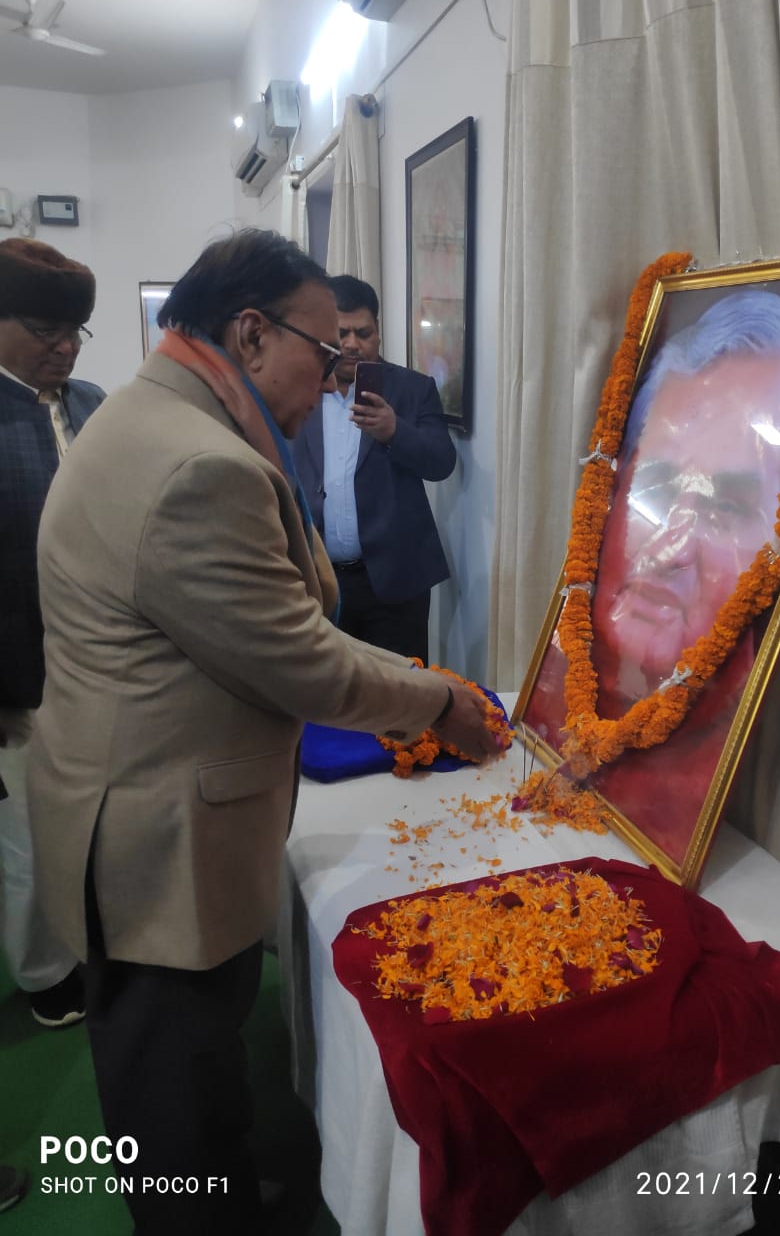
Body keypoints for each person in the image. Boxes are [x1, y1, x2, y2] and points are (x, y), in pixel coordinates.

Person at [26, 230, 497, 1236]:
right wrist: (440, 698)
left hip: (142, 795)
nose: (337, 377)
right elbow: (304, 659)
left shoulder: (161, 412)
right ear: (250, 332)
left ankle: (223, 1184)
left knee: (199, 1063)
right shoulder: (194, 463)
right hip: (157, 835)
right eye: (325, 354)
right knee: (170, 1077)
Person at [524, 290, 780, 862]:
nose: (671, 547)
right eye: (657, 488)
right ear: (611, 494)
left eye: (726, 508)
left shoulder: (717, 750)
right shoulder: (556, 684)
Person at [0, 237, 102, 1029]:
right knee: (29, 839)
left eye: (75, 334)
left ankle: (96, 943)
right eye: (44, 331)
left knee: (97, 822)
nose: (64, 348)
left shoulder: (95, 406)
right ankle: (44, 976)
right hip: (17, 676)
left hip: (104, 671)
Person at [291, 274, 456, 663]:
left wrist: (395, 430)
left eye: (363, 332)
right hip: (318, 581)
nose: (351, 344)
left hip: (396, 584)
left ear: (379, 332)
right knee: (328, 699)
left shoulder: (413, 390)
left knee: (401, 704)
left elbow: (441, 462)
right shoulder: (301, 388)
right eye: (342, 332)